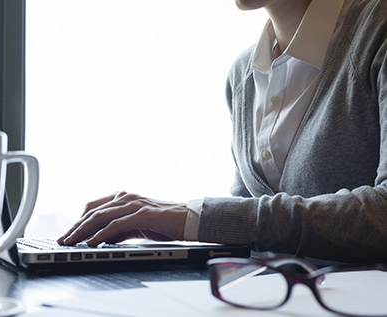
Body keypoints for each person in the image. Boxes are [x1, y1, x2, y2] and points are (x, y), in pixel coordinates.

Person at [58, 0, 387, 263]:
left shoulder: (377, 31)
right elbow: (253, 224)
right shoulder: (244, 73)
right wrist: (167, 236)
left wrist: (194, 218)